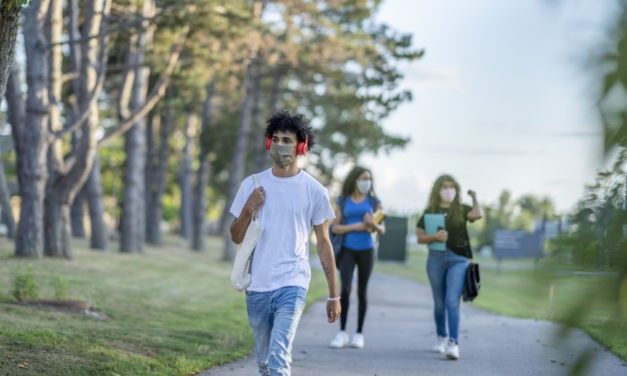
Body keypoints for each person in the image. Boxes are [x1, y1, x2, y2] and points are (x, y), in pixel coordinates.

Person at [229, 110, 340, 376]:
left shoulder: (314, 191)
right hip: (257, 285)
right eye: (275, 139)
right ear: (269, 143)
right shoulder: (251, 185)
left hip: (293, 283)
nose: (280, 145)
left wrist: (334, 294)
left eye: (287, 140)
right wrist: (248, 209)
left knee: (279, 357)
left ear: (301, 146)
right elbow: (235, 236)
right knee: (265, 362)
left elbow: (324, 243)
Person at [416, 174, 482, 360]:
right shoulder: (430, 211)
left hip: (458, 260)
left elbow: (477, 214)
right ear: (437, 190)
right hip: (435, 259)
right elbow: (420, 238)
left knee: (453, 300)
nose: (448, 190)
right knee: (439, 303)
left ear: (456, 189)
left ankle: (454, 343)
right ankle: (441, 336)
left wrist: (474, 197)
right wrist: (434, 238)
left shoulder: (461, 210)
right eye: (444, 186)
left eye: (451, 186)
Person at [328, 166, 385, 349]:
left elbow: (382, 229)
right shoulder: (343, 201)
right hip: (347, 249)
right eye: (363, 178)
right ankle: (342, 332)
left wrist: (372, 225)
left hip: (366, 250)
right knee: (344, 289)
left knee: (362, 291)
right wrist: (357, 226)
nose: (366, 181)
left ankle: (359, 333)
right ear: (354, 180)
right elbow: (335, 228)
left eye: (369, 178)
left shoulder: (374, 201)